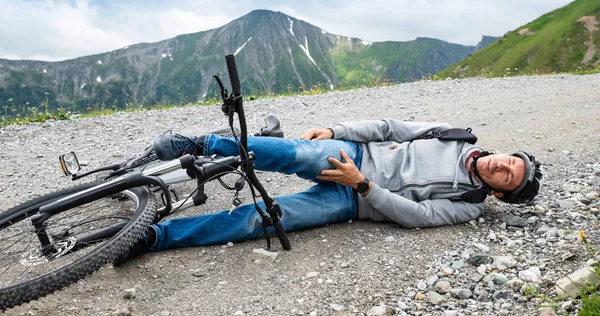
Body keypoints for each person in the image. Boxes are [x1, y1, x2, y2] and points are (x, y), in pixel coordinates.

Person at [117, 119, 542, 262]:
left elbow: (418, 217)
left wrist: (364, 187)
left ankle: (153, 238)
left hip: (352, 199)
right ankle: (201, 145)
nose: (502, 165)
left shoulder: (468, 207)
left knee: (262, 219)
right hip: (351, 152)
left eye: (508, 176)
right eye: (509, 160)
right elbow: (389, 127)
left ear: (500, 194)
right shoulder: (456, 135)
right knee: (296, 153)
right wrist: (337, 131)